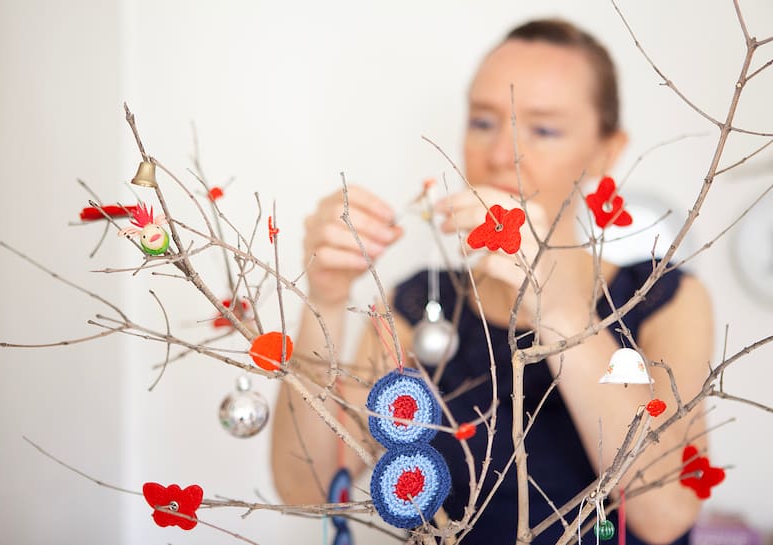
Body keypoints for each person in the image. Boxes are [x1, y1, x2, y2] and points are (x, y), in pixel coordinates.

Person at [271, 18, 713, 545]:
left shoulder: (664, 299)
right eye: (482, 122)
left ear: (606, 151)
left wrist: (559, 312)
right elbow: (308, 489)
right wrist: (324, 297)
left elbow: (665, 516)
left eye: (544, 130)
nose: (501, 155)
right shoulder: (419, 309)